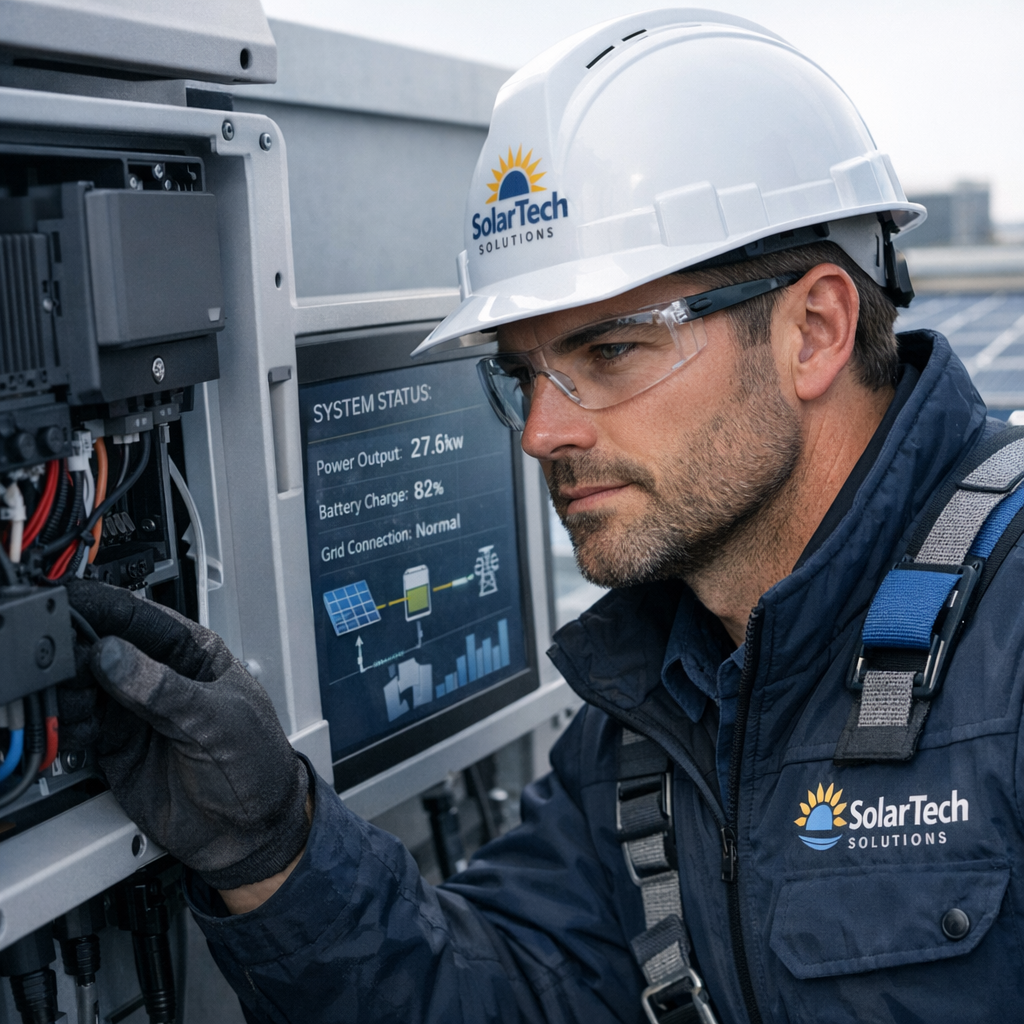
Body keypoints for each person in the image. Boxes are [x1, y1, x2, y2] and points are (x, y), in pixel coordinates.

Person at [63, 10, 1024, 1023]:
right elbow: (498, 992)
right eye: (522, 375)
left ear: (815, 330)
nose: (539, 432)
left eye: (610, 351)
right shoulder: (654, 710)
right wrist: (274, 849)